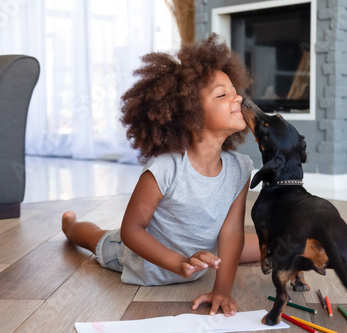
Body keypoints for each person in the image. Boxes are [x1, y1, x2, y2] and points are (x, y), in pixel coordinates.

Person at [61, 33, 260, 318]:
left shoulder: (240, 167)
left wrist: (222, 290)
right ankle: (70, 224)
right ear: (190, 115)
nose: (238, 97)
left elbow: (230, 233)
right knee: (96, 238)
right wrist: (178, 262)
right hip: (145, 262)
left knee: (260, 244)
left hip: (202, 254)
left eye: (234, 90)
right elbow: (131, 230)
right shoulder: (166, 167)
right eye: (222, 94)